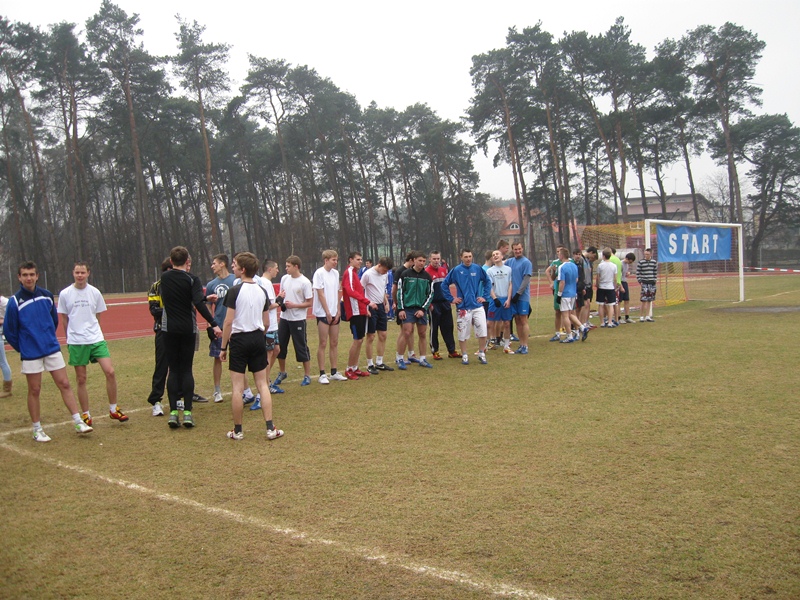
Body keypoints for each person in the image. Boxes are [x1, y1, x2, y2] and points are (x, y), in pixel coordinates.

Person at [4, 261, 93, 442]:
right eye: (25, 275)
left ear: (37, 276)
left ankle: (78, 421)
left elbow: (54, 321)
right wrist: (24, 347)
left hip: (51, 348)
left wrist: (47, 338)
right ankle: (37, 429)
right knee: (34, 389)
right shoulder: (14, 302)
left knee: (65, 384)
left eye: (32, 274)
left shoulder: (46, 296)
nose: (29, 278)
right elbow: (10, 331)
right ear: (19, 278)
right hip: (31, 354)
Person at [219, 252, 284, 441]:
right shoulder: (262, 291)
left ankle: (238, 431)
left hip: (239, 340)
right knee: (262, 384)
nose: (233, 267)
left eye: (235, 264)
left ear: (243, 269)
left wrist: (223, 347)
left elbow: (228, 322)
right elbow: (266, 322)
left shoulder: (234, 291)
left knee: (237, 388)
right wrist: (258, 336)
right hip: (257, 338)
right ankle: (270, 428)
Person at [58, 261, 128, 426]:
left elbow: (97, 317)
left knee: (110, 372)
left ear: (88, 273)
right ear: (73, 273)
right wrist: (71, 338)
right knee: (81, 379)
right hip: (77, 342)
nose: (80, 275)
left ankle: (113, 409)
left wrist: (95, 333)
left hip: (96, 339)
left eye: (83, 272)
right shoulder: (65, 294)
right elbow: (64, 319)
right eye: (77, 272)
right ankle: (86, 414)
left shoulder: (95, 292)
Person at [160, 246, 222, 429]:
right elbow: (197, 303)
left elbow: (176, 299)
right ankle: (187, 412)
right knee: (186, 370)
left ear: (171, 261)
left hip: (169, 329)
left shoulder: (165, 278)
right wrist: (213, 323)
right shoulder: (192, 279)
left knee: (173, 370)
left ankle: (173, 412)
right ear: (187, 261)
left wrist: (202, 299)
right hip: (188, 328)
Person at [441, 249, 491, 365]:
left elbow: (487, 281)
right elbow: (444, 284)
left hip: (477, 306)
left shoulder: (477, 268)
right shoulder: (456, 270)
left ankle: (481, 353)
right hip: (463, 308)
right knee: (462, 333)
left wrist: (484, 296)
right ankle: (464, 355)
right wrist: (451, 299)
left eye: (470, 256)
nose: (468, 259)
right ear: (461, 257)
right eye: (466, 257)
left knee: (483, 330)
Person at [274, 255, 313, 387]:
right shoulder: (284, 278)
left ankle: (307, 375)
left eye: (288, 266)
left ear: (296, 266)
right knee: (280, 346)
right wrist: (282, 303)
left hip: (298, 319)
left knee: (301, 346)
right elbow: (281, 295)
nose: (286, 269)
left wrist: (294, 305)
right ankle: (282, 372)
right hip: (284, 318)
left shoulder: (305, 282)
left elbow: (309, 303)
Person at [312, 250, 346, 384]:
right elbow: (320, 294)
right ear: (326, 260)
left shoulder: (336, 273)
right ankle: (322, 374)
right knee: (323, 342)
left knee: (334, 342)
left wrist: (337, 310)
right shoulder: (319, 273)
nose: (335, 262)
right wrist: (327, 311)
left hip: (334, 312)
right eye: (333, 260)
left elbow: (337, 292)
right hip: (323, 313)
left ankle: (334, 371)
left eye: (336, 260)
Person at [396, 251, 434, 369]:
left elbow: (430, 294)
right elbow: (400, 292)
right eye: (419, 261)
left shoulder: (427, 277)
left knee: (422, 333)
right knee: (407, 332)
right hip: (407, 308)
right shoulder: (405, 274)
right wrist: (401, 309)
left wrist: (423, 309)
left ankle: (422, 359)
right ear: (414, 261)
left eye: (424, 261)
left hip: (421, 309)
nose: (422, 263)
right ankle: (400, 358)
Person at [206, 254, 235, 402]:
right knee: (217, 358)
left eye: (214, 263)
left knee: (236, 358)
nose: (212, 266)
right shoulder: (211, 285)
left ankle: (242, 390)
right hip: (219, 327)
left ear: (222, 264)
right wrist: (210, 325)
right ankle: (217, 391)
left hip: (234, 327)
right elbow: (208, 307)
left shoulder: (235, 280)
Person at [342, 252, 373, 379]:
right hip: (354, 312)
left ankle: (355, 367)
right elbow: (350, 291)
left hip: (360, 311)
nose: (360, 261)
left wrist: (365, 309)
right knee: (357, 340)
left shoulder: (355, 273)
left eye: (361, 259)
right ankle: (349, 368)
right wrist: (367, 302)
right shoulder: (349, 272)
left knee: (360, 340)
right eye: (358, 259)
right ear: (351, 260)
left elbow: (359, 291)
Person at [361, 256, 394, 374]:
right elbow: (360, 290)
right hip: (371, 306)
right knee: (371, 336)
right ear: (379, 265)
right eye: (384, 270)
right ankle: (370, 364)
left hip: (381, 306)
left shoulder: (385, 274)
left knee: (383, 335)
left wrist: (386, 302)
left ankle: (379, 362)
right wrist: (366, 307)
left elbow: (382, 289)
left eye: (387, 271)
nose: (385, 273)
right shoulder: (367, 274)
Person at [425, 251, 458, 360]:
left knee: (448, 327)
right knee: (434, 328)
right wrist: (429, 305)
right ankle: (435, 351)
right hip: (434, 304)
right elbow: (425, 291)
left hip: (445, 303)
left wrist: (449, 299)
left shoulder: (444, 270)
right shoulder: (426, 272)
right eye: (434, 259)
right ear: (430, 259)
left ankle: (451, 350)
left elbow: (447, 287)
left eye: (438, 259)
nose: (436, 261)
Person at [556, 248, 590, 343]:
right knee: (570, 314)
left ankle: (569, 336)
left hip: (565, 294)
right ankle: (583, 328)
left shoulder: (562, 267)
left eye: (559, 254)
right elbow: (576, 280)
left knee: (565, 315)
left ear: (562, 256)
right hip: (573, 293)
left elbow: (562, 282)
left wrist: (559, 295)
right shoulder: (574, 265)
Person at [505, 242, 533, 354]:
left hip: (522, 297)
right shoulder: (509, 262)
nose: (517, 251)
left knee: (523, 319)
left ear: (522, 249)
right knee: (517, 320)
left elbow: (526, 280)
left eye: (519, 249)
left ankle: (525, 345)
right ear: (512, 250)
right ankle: (521, 344)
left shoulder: (526, 262)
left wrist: (518, 294)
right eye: (515, 249)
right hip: (512, 297)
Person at [486, 250, 514, 353]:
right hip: (495, 300)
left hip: (505, 299)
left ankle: (506, 346)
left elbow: (510, 284)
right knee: (490, 323)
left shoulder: (508, 269)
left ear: (502, 256)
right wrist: (495, 298)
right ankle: (486, 345)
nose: (495, 256)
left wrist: (508, 299)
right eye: (493, 255)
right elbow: (489, 286)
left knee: (506, 323)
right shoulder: (490, 271)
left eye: (497, 254)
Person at [391, 253, 416, 366]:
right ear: (411, 260)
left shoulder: (411, 271)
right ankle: (399, 356)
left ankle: (411, 354)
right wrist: (396, 303)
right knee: (404, 330)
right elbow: (394, 289)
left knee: (411, 330)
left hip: (411, 305)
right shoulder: (400, 271)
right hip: (402, 305)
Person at [545, 245, 566, 342]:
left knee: (567, 311)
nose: (558, 253)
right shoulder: (555, 262)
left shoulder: (569, 262)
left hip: (567, 289)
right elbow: (548, 272)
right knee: (558, 311)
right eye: (557, 251)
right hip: (558, 288)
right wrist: (551, 282)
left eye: (560, 251)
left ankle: (568, 329)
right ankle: (558, 332)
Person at [595, 248, 619, 328]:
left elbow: (598, 277)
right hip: (610, 287)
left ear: (603, 256)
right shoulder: (614, 266)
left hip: (601, 286)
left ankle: (602, 322)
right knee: (611, 305)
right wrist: (615, 286)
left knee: (601, 304)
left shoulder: (600, 265)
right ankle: (610, 322)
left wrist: (597, 285)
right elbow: (615, 278)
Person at [636, 248, 658, 322]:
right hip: (644, 282)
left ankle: (647, 316)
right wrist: (640, 281)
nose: (646, 255)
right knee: (644, 300)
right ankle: (641, 316)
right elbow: (638, 273)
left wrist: (654, 280)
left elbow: (655, 272)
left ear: (651, 254)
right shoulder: (641, 262)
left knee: (650, 300)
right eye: (645, 254)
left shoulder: (654, 262)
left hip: (652, 283)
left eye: (647, 254)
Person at [580, 247, 598, 328]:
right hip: (584, 285)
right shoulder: (582, 259)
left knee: (587, 304)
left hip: (588, 285)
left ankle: (586, 322)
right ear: (591, 252)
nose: (592, 258)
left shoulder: (587, 261)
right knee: (584, 305)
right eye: (593, 255)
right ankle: (582, 323)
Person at [0, 293, 13, 398]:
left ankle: (7, 390)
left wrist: (3, 320)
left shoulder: (3, 301)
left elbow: (14, 313)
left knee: (2, 361)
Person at [619, 253, 636, 324]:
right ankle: (619, 317)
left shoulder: (627, 265)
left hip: (625, 282)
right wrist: (620, 286)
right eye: (630, 261)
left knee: (626, 300)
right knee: (619, 301)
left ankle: (627, 317)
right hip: (620, 282)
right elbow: (618, 275)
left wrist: (628, 273)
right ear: (627, 259)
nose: (630, 263)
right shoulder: (620, 263)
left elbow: (625, 273)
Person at [609, 248, 624, 324]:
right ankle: (616, 319)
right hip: (617, 283)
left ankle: (609, 319)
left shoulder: (609, 259)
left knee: (609, 303)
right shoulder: (618, 260)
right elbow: (620, 273)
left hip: (611, 284)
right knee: (616, 302)